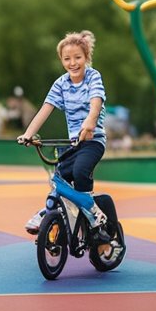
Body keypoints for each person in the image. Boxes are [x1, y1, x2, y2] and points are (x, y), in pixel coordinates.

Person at [18, 30, 108, 235]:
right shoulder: (61, 83)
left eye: (78, 57)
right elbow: (45, 109)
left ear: (86, 58)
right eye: (67, 59)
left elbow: (96, 101)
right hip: (73, 143)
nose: (73, 63)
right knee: (59, 178)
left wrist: (90, 122)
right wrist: (28, 134)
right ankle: (50, 213)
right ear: (61, 60)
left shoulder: (93, 76)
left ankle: (95, 215)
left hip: (93, 141)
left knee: (79, 172)